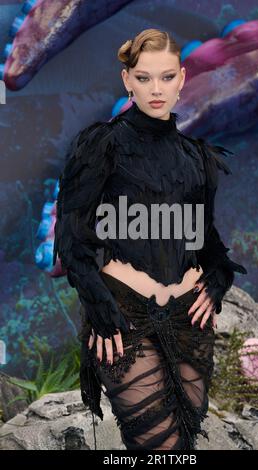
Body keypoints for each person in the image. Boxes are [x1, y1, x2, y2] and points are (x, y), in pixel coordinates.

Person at [53, 28, 247, 451]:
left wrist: (215, 283)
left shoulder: (197, 157)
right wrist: (101, 310)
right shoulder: (99, 145)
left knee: (184, 446)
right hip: (124, 317)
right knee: (159, 448)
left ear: (181, 78)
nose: (155, 89)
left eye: (164, 77)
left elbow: (208, 242)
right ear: (127, 80)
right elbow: (73, 243)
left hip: (189, 321)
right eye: (143, 78)